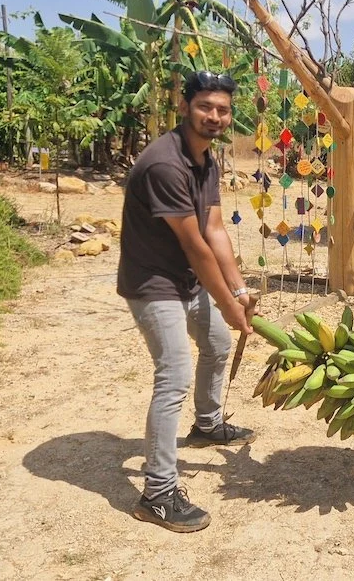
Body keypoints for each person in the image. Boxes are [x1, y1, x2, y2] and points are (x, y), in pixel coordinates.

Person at [117, 71, 258, 533]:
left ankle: (208, 422)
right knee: (173, 375)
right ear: (186, 107)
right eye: (205, 107)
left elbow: (216, 229)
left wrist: (238, 291)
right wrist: (232, 305)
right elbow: (196, 244)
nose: (214, 116)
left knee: (217, 344)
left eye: (222, 109)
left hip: (188, 281)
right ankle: (156, 493)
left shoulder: (205, 160)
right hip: (154, 283)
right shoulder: (165, 164)